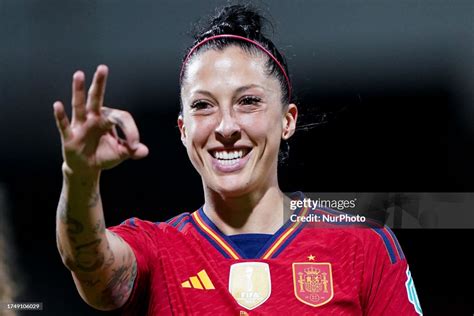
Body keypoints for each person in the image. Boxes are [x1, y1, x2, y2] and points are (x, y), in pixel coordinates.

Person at [53, 4, 423, 315]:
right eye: (203, 106)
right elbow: (88, 264)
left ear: (287, 120)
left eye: (248, 102)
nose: (226, 126)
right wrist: (79, 175)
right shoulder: (155, 251)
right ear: (182, 130)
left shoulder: (364, 245)